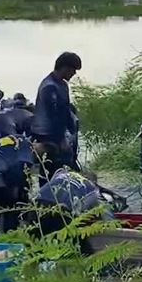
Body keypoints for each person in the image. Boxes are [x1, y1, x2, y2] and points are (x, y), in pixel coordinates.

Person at [31, 52, 82, 186]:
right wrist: (61, 139)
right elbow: (54, 115)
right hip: (47, 135)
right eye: (73, 70)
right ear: (64, 67)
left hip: (60, 135)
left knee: (65, 172)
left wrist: (72, 133)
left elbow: (65, 111)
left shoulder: (62, 85)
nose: (74, 73)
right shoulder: (49, 86)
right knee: (49, 173)